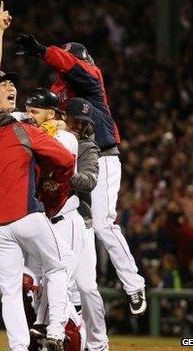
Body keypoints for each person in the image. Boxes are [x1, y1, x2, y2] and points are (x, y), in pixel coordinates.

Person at [15, 33, 147, 314]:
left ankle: (133, 284)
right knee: (52, 218)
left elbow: (71, 66)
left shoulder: (91, 77)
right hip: (71, 158)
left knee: (103, 224)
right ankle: (53, 293)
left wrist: (42, 50)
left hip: (102, 154)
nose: (66, 63)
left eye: (70, 59)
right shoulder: (57, 88)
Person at [0, 108, 76, 351]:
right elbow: (66, 159)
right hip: (25, 215)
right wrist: (55, 176)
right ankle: (55, 329)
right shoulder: (22, 131)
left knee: (10, 291)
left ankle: (18, 347)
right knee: (60, 264)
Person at [65, 98, 109, 351]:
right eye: (76, 120)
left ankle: (99, 343)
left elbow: (89, 180)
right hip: (51, 223)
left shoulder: (88, 147)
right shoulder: (50, 138)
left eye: (85, 123)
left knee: (87, 286)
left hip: (82, 222)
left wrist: (63, 172)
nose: (80, 126)